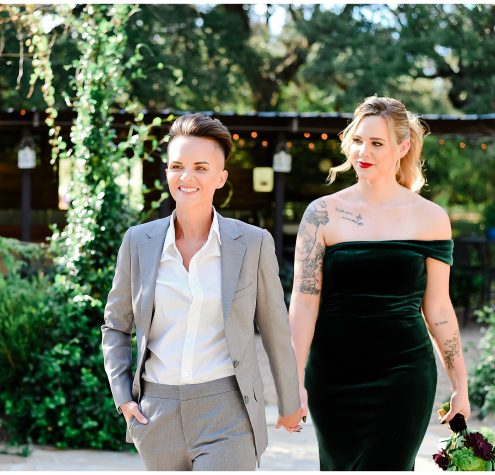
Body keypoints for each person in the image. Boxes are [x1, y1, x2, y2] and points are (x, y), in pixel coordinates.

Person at [101, 113, 303, 471]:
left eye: (200, 167)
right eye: (177, 166)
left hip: (228, 411)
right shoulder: (138, 242)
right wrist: (123, 400)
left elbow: (274, 329)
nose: (186, 177)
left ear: (221, 177)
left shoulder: (252, 243)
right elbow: (116, 325)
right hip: (156, 414)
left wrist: (290, 403)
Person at [288, 95, 470, 470]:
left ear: (402, 148)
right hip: (332, 376)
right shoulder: (322, 214)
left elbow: (437, 308)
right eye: (357, 140)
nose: (362, 151)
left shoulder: (430, 218)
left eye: (376, 143)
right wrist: (294, 380)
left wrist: (460, 386)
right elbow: (305, 304)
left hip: (403, 375)